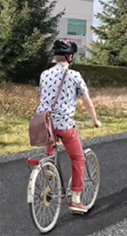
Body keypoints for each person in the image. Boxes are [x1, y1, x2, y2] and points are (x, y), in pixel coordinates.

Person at [36, 39, 101, 213]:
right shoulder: (74, 76)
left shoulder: (44, 74)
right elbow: (87, 102)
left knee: (51, 135)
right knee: (79, 158)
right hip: (64, 124)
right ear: (70, 57)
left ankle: (49, 165)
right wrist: (94, 120)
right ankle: (76, 200)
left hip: (43, 122)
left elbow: (43, 97)